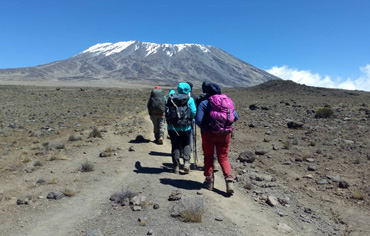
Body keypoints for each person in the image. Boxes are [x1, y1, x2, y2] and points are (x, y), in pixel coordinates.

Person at [195, 83, 239, 194]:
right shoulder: (228, 102)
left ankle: (209, 181)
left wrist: (206, 128)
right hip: (224, 135)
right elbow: (236, 117)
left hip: (209, 134)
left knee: (209, 157)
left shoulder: (205, 103)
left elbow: (198, 120)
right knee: (223, 157)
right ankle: (229, 181)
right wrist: (224, 127)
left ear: (207, 92)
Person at [166, 82, 197, 174]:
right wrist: (189, 118)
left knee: (175, 145)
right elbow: (193, 112)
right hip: (186, 127)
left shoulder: (171, 98)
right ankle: (186, 163)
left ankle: (176, 166)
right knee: (186, 144)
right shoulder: (190, 99)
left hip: (172, 127)